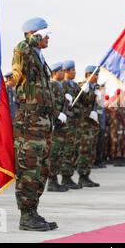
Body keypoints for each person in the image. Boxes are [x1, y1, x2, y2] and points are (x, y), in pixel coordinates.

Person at [12, 17, 59, 231]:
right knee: (28, 169)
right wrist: (31, 39)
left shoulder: (40, 58)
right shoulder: (24, 51)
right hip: (29, 124)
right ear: (34, 34)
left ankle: (33, 211)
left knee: (42, 169)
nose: (48, 37)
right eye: (45, 33)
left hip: (43, 124)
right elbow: (21, 47)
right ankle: (26, 216)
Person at [76, 65, 101, 187]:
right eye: (95, 74)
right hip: (84, 123)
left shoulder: (95, 87)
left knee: (91, 150)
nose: (97, 77)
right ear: (88, 75)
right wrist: (90, 93)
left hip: (92, 124)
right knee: (84, 150)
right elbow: (86, 101)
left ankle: (86, 175)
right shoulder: (83, 86)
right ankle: (82, 176)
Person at [47, 62, 69, 192]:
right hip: (55, 125)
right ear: (55, 73)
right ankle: (52, 181)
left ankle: (55, 179)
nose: (63, 72)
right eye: (60, 71)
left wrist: (67, 102)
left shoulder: (60, 86)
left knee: (59, 153)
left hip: (61, 126)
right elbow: (50, 103)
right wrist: (57, 114)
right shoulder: (52, 85)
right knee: (54, 153)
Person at [60, 60, 82, 190]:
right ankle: (65, 177)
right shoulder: (62, 85)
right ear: (67, 71)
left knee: (73, 150)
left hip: (75, 123)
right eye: (73, 71)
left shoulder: (75, 86)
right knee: (66, 151)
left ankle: (69, 175)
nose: (75, 73)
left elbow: (84, 101)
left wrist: (87, 91)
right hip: (66, 124)